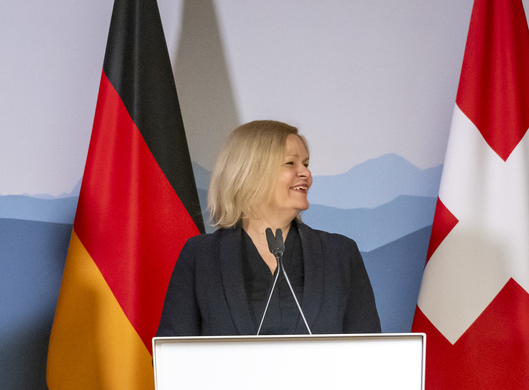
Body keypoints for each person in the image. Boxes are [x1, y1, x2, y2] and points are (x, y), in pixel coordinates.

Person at [158, 119, 381, 336]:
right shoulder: (201, 256)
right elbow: (171, 357)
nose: (306, 173)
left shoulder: (339, 253)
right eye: (290, 163)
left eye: (306, 164)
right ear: (251, 172)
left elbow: (371, 354)